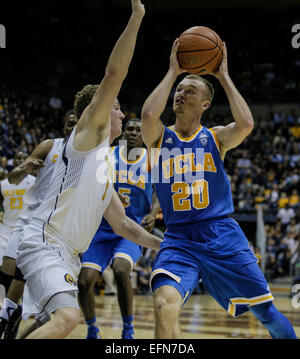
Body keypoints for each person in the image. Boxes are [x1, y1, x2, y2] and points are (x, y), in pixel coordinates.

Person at [16, 0, 161, 339]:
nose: (123, 116)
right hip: (45, 241)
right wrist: (137, 17)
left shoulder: (104, 164)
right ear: (97, 112)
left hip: (68, 252)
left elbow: (125, 224)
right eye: (118, 108)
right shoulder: (88, 139)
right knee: (67, 319)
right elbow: (115, 74)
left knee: (45, 322)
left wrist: (166, 245)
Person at [141, 39, 297, 339]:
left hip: (220, 232)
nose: (181, 94)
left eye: (191, 91)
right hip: (178, 238)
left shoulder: (215, 137)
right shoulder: (160, 138)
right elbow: (149, 115)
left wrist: (223, 76)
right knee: (163, 303)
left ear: (205, 104)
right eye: (179, 89)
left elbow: (246, 123)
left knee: (265, 312)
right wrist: (173, 71)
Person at [78, 118, 161, 339]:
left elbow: (160, 190)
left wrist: (153, 213)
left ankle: (128, 329)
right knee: (84, 282)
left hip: (132, 229)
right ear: (123, 133)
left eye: (138, 130)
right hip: (102, 227)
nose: (133, 132)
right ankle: (92, 329)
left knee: (121, 269)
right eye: (129, 129)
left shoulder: (152, 159)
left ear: (144, 135)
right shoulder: (108, 154)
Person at [0, 110, 78, 339]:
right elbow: (13, 178)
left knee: (25, 273)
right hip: (30, 218)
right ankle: (11, 311)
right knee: (9, 267)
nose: (73, 128)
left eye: (77, 124)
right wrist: (26, 167)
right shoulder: (49, 145)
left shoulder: (85, 156)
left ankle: (10, 315)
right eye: (69, 124)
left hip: (57, 226)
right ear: (64, 127)